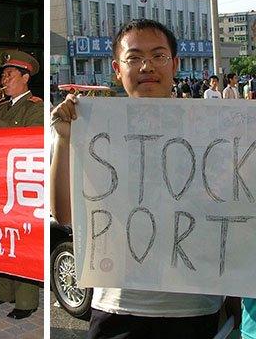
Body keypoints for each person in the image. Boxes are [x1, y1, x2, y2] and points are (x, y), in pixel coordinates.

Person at [51, 19, 232, 338]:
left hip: (195, 308)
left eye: (158, 55)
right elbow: (64, 215)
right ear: (117, 69)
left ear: (175, 64)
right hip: (118, 307)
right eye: (133, 57)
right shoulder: (92, 130)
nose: (147, 65)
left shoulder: (215, 128)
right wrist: (65, 141)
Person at [0, 51, 43, 320]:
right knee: (1, 238)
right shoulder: (2, 107)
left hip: (22, 181)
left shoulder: (34, 106)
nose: (4, 79)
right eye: (3, 75)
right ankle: (3, 292)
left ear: (25, 78)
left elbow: (29, 139)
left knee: (22, 240)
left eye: (9, 75)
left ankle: (26, 300)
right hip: (0, 180)